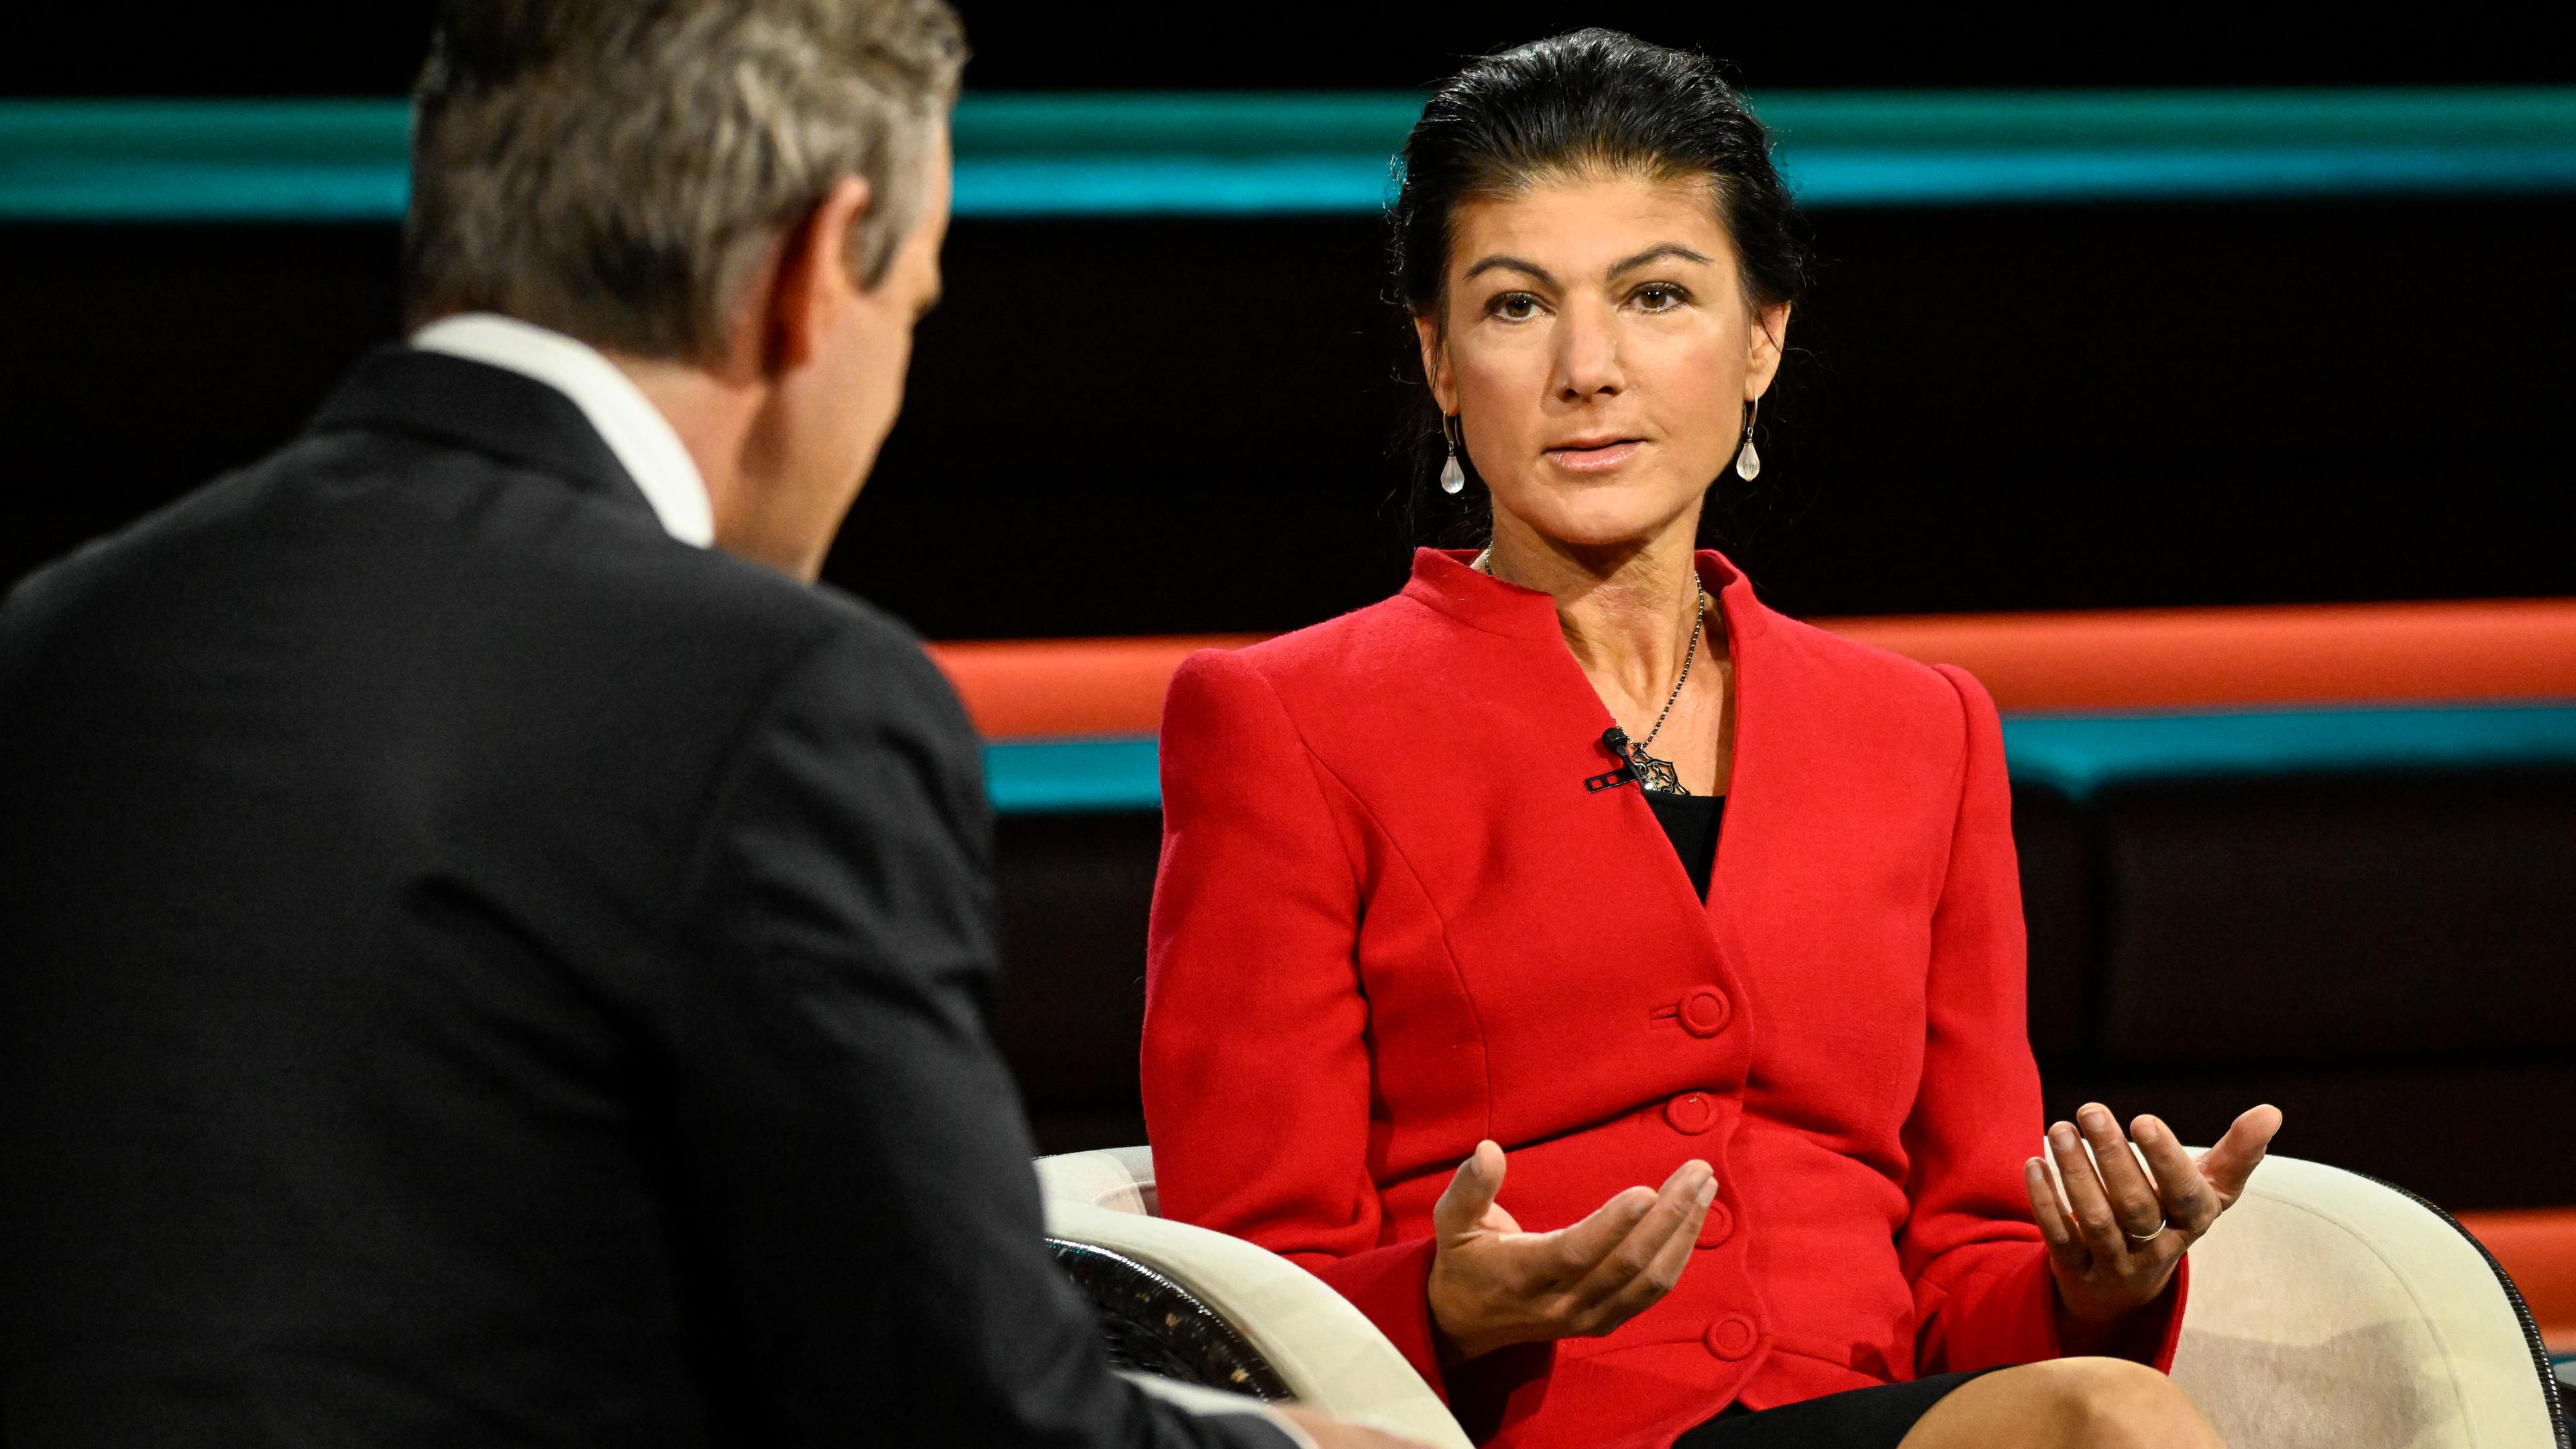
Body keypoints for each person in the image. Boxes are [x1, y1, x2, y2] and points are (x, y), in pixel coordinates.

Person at [0, 5, 1409, 1448]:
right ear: (813, 269)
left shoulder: (59, 629)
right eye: (912, 308)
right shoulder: (781, 697)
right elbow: (963, 1406)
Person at [1141, 30, 2282, 1449]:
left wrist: (2098, 1280)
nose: (1588, 368)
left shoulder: (1921, 732)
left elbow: (1962, 1273)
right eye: (1514, 308)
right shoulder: (1283, 721)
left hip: (1872, 1421)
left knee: (2103, 1401)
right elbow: (1238, 1290)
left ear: (1762, 339)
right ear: (1436, 360)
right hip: (1513, 1434)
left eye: (1657, 295)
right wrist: (1455, 1305)